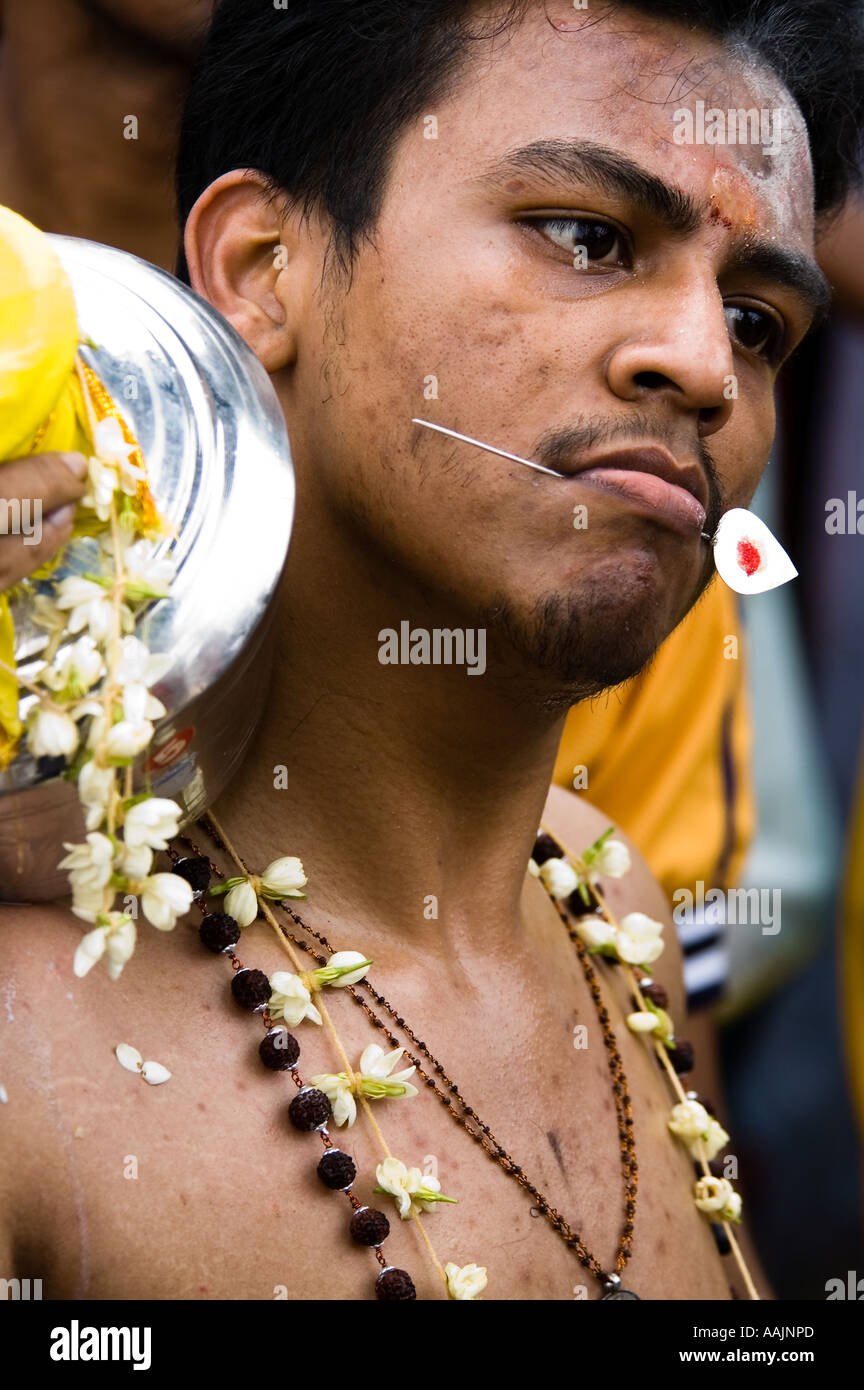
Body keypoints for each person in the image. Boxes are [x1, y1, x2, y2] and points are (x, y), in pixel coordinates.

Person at [1, 0, 861, 1302]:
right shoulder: (31, 1036)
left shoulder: (610, 899)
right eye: (586, 236)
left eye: (758, 323)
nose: (703, 367)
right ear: (261, 265)